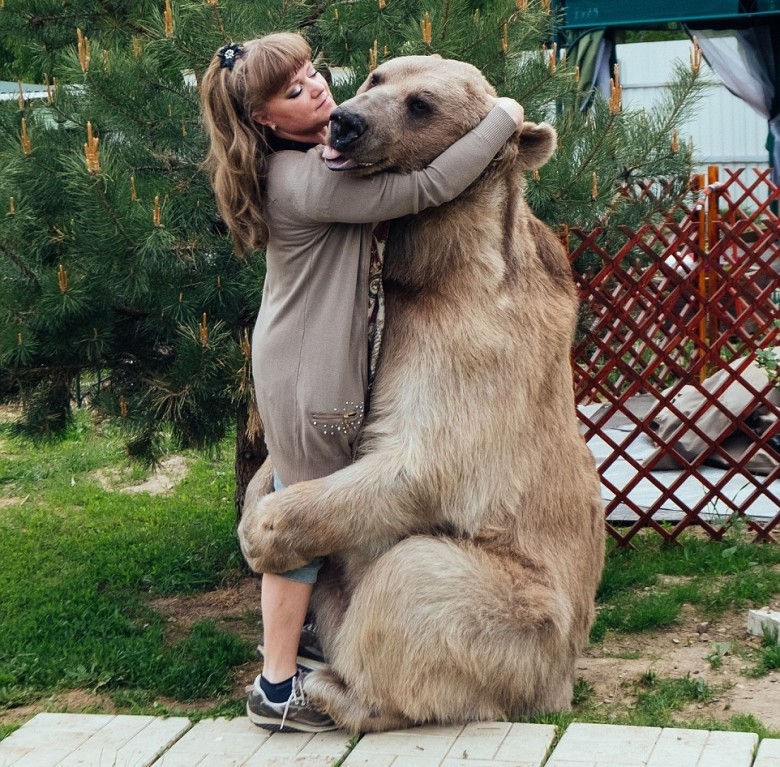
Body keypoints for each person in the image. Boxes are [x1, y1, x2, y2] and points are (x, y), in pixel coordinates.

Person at [199, 32, 524, 733]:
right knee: (297, 525)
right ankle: (277, 684)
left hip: (298, 356)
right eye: (293, 92)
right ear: (263, 120)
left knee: (302, 500)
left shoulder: (307, 161)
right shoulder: (311, 180)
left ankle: (300, 646)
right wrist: (504, 118)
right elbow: (431, 185)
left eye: (314, 75)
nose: (323, 92)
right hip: (310, 371)